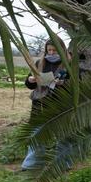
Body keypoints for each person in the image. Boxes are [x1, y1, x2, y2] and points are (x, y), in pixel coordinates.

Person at [20, 41, 69, 171]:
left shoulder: (69, 65)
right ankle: (32, 163)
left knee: (63, 134)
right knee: (37, 134)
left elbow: (78, 83)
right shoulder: (39, 63)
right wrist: (30, 80)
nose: (51, 53)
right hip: (40, 105)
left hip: (61, 104)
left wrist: (63, 83)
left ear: (62, 50)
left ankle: (63, 163)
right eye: (49, 50)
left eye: (55, 50)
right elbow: (30, 84)